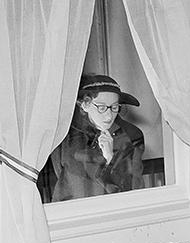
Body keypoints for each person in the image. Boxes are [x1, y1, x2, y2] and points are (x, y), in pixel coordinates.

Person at [46, 74, 145, 202]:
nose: (109, 116)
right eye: (102, 108)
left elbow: (132, 190)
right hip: (71, 212)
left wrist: (110, 159)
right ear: (84, 105)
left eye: (114, 107)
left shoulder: (131, 136)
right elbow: (61, 176)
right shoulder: (64, 136)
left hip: (114, 212)